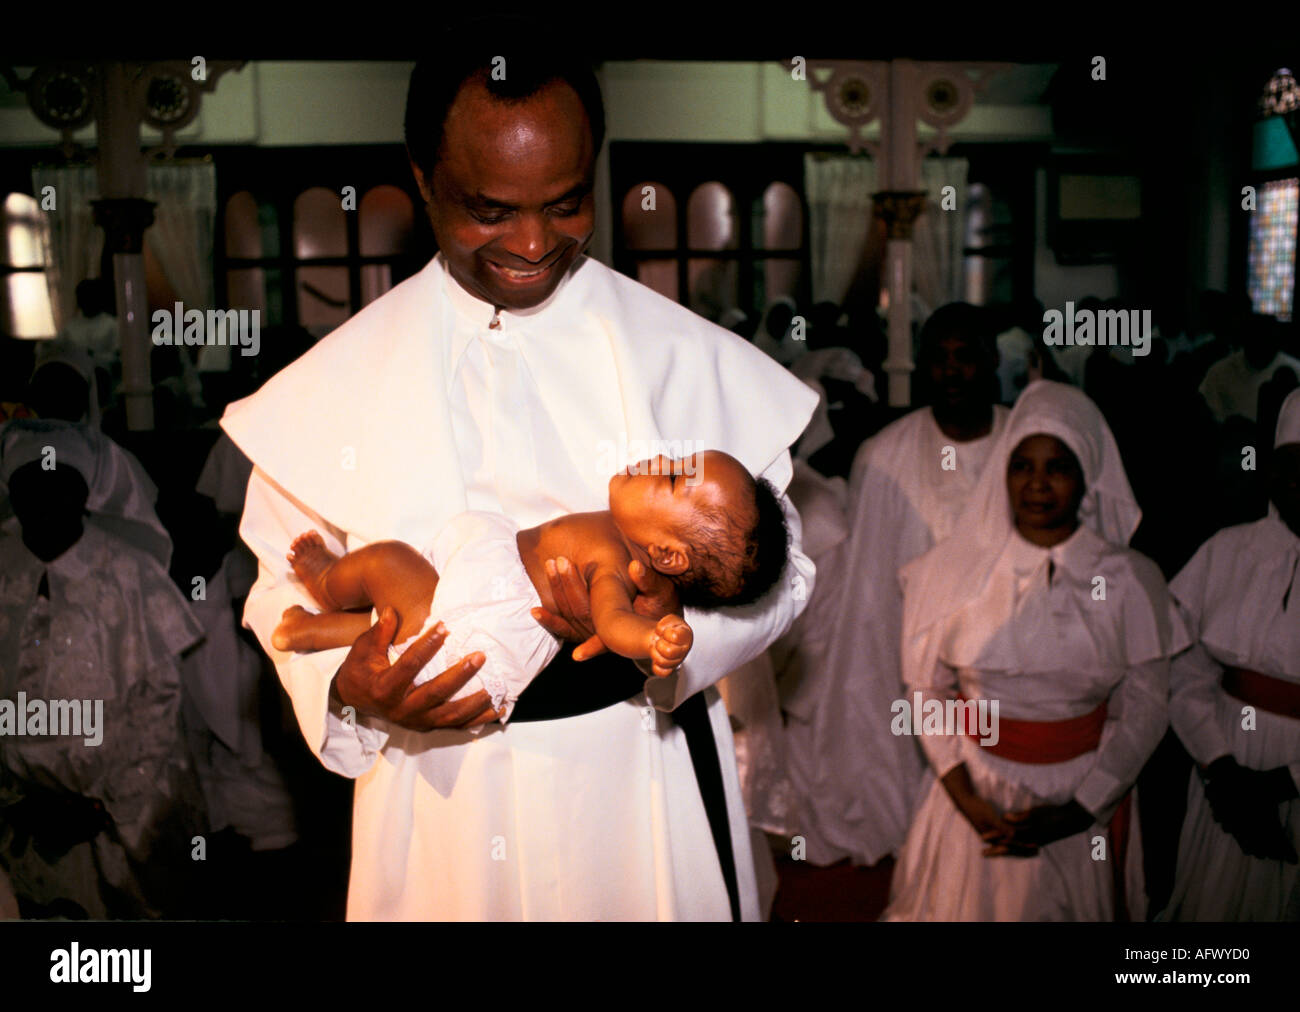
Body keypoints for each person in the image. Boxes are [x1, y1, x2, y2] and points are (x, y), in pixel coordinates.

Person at [220, 36, 818, 921]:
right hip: (441, 802)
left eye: (567, 202)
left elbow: (785, 565)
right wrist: (347, 686)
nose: (535, 243)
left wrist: (661, 622)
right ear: (422, 177)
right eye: (489, 209)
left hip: (640, 779)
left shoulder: (683, 355)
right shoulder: (334, 382)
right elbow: (276, 588)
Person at [882, 380, 1187, 921]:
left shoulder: (1131, 579)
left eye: (1058, 467)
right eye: (1023, 466)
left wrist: (1085, 805)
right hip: (973, 785)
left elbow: (1146, 704)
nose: (1038, 485)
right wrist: (965, 793)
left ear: (1086, 476)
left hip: (1081, 792)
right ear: (1004, 472)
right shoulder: (950, 572)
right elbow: (925, 688)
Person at [272, 449, 789, 717]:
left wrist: (651, 638)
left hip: (487, 616)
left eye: (673, 477)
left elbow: (611, 623)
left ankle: (326, 582)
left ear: (669, 554)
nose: (658, 460)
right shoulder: (618, 540)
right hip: (481, 595)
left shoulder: (613, 565)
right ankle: (309, 631)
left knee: (388, 565)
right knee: (399, 624)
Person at [787, 303, 1008, 867]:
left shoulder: (1024, 446)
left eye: (966, 358)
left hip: (1008, 655)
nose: (952, 372)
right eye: (939, 359)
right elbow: (868, 589)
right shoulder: (883, 456)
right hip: (913, 653)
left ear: (992, 361)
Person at [0, 419, 205, 918]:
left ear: (85, 493)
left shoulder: (130, 573)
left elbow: (158, 710)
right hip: (22, 816)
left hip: (122, 816)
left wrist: (103, 804)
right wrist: (18, 799)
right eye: (30, 486)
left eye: (59, 486)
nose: (44, 501)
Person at [1163, 388, 1300, 920]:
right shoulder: (1228, 549)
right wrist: (1222, 772)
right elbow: (1184, 668)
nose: (1297, 483)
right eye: (1288, 466)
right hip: (1224, 768)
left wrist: (1279, 784)